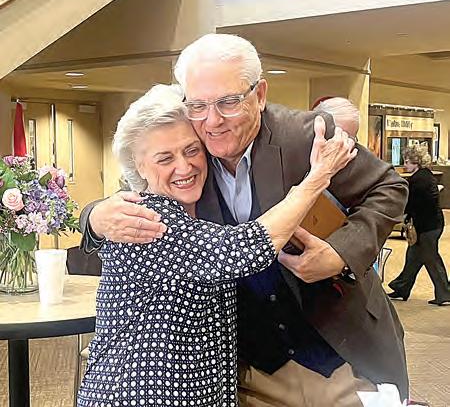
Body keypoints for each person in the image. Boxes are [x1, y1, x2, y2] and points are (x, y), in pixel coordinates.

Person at [80, 34, 409, 406]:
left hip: (339, 354)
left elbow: (389, 187)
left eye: (229, 102)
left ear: (260, 94)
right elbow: (140, 195)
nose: (213, 120)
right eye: (199, 105)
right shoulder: (191, 141)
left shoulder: (306, 136)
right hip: (248, 368)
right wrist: (94, 217)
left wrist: (339, 253)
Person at [388, 145, 450, 305]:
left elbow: (410, 203)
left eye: (407, 162)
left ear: (416, 162)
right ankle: (401, 287)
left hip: (427, 227)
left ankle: (445, 293)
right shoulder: (426, 175)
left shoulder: (417, 180)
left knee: (431, 259)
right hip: (432, 224)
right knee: (413, 257)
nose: (405, 165)